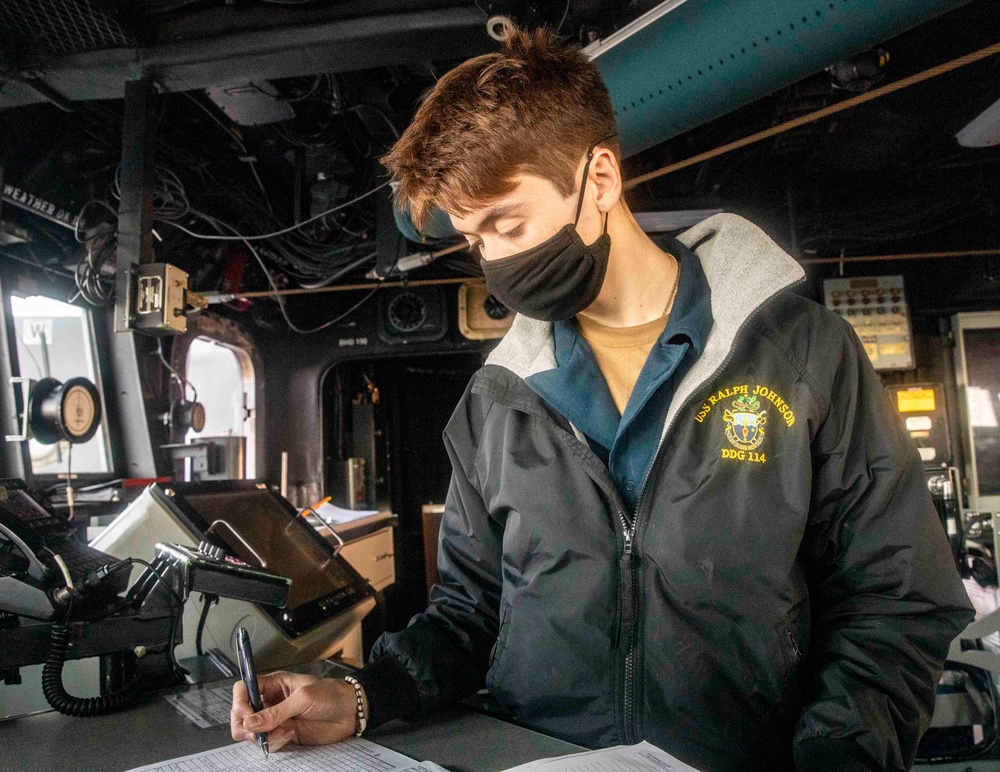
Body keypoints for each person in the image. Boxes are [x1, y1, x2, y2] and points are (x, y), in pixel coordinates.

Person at [232, 27, 974, 771]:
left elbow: (895, 601)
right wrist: (363, 695)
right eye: (474, 241)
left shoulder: (802, 354)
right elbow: (467, 616)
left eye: (508, 224)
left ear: (601, 180)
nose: (494, 261)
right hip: (530, 755)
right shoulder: (497, 400)